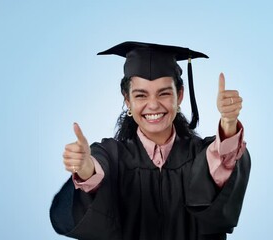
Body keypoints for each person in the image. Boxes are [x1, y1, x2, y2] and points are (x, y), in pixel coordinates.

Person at [50, 41, 251, 240]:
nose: (153, 105)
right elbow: (96, 171)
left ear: (179, 96)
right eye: (140, 95)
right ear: (127, 100)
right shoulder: (112, 155)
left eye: (164, 93)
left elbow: (222, 159)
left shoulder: (200, 155)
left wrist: (228, 123)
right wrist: (85, 168)